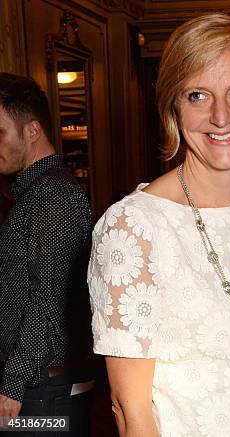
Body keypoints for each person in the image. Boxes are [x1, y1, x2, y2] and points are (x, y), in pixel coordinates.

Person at [88, 13, 230, 436]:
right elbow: (130, 410)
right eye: (197, 95)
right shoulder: (133, 226)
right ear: (173, 107)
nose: (220, 116)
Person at [0, 73, 93, 434]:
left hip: (44, 389)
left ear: (32, 131)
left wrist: (12, 384)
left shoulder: (53, 196)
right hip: (38, 384)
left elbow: (47, 297)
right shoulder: (34, 193)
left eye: (1, 132)